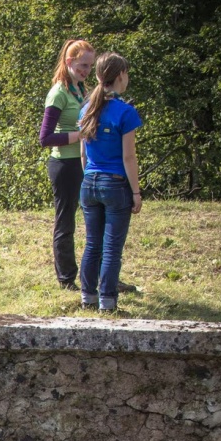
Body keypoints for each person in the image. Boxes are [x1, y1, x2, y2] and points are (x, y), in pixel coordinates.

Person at [78, 52, 143, 314]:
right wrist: (136, 192)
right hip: (115, 184)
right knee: (112, 246)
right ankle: (108, 300)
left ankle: (87, 296)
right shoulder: (125, 112)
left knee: (92, 243)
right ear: (120, 76)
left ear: (97, 77)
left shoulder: (87, 109)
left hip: (89, 182)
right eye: (126, 74)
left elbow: (83, 154)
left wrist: (89, 177)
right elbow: (129, 157)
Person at [39, 39, 95, 290]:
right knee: (66, 223)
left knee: (96, 220)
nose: (87, 71)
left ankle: (98, 275)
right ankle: (66, 279)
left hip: (85, 162)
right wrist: (80, 134)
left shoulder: (82, 89)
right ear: (70, 62)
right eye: (83, 65)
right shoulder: (58, 93)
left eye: (90, 66)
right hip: (64, 166)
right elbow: (45, 138)